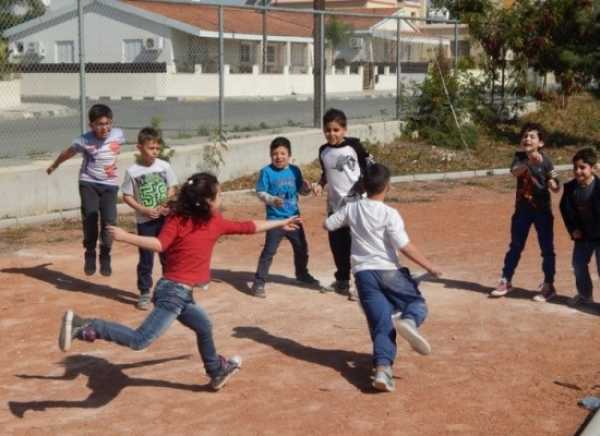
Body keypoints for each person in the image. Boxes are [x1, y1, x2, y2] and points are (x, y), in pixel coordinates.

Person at [58, 172, 303, 391]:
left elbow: (250, 226)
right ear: (206, 201)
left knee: (204, 326)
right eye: (218, 196)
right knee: (139, 340)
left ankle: (216, 370)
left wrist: (281, 222)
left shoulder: (208, 221)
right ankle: (85, 325)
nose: (221, 200)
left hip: (179, 293)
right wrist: (125, 237)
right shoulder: (180, 220)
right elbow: (159, 245)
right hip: (173, 293)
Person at [324, 163, 442, 392]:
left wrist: (346, 206)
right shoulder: (390, 213)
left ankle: (382, 370)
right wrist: (430, 266)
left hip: (363, 276)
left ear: (363, 185)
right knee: (416, 304)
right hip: (389, 271)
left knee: (381, 323)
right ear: (387, 186)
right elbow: (403, 245)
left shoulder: (353, 208)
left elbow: (328, 224)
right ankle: (409, 321)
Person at [47, 104, 124, 277]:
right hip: (88, 182)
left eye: (107, 123)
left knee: (109, 221)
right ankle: (90, 252)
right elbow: (67, 153)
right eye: (99, 124)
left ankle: (105, 253)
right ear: (91, 125)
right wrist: (55, 165)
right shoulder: (84, 140)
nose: (104, 128)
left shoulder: (118, 135)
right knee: (90, 216)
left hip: (110, 185)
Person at [490, 122, 560, 302]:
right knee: (515, 246)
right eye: (525, 136)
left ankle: (548, 285)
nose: (527, 139)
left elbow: (556, 185)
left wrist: (553, 183)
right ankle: (506, 280)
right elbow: (515, 172)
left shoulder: (546, 161)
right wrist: (529, 161)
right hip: (522, 211)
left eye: (532, 136)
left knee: (547, 249)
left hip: (542, 212)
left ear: (541, 143)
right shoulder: (519, 157)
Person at [313, 108, 374, 301]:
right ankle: (342, 281)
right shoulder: (324, 151)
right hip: (335, 206)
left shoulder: (354, 147)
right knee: (338, 245)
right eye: (328, 130)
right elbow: (327, 173)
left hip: (356, 205)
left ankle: (361, 284)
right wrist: (321, 185)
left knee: (358, 245)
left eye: (336, 130)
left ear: (345, 130)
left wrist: (359, 190)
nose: (332, 134)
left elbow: (370, 169)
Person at [250, 137, 320, 298]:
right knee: (269, 251)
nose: (279, 157)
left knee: (302, 248)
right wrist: (272, 200)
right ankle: (259, 282)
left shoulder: (295, 170)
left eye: (282, 153)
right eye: (275, 154)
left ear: (289, 155)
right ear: (270, 155)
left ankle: (302, 273)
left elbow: (301, 191)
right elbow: (260, 192)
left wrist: (307, 188)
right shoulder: (266, 172)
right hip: (275, 221)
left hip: (294, 218)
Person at [122, 127, 178, 310]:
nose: (154, 152)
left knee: (167, 255)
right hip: (145, 222)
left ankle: (169, 290)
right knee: (146, 258)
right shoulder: (132, 171)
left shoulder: (164, 166)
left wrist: (165, 204)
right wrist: (143, 209)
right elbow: (127, 196)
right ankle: (145, 292)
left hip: (165, 220)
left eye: (157, 148)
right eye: (150, 148)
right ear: (139, 147)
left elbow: (172, 188)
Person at [559, 147, 600, 307]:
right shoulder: (570, 188)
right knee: (578, 264)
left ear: (593, 168)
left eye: (582, 167)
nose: (578, 171)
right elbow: (565, 209)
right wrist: (573, 229)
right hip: (583, 235)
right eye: (575, 167)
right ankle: (585, 295)